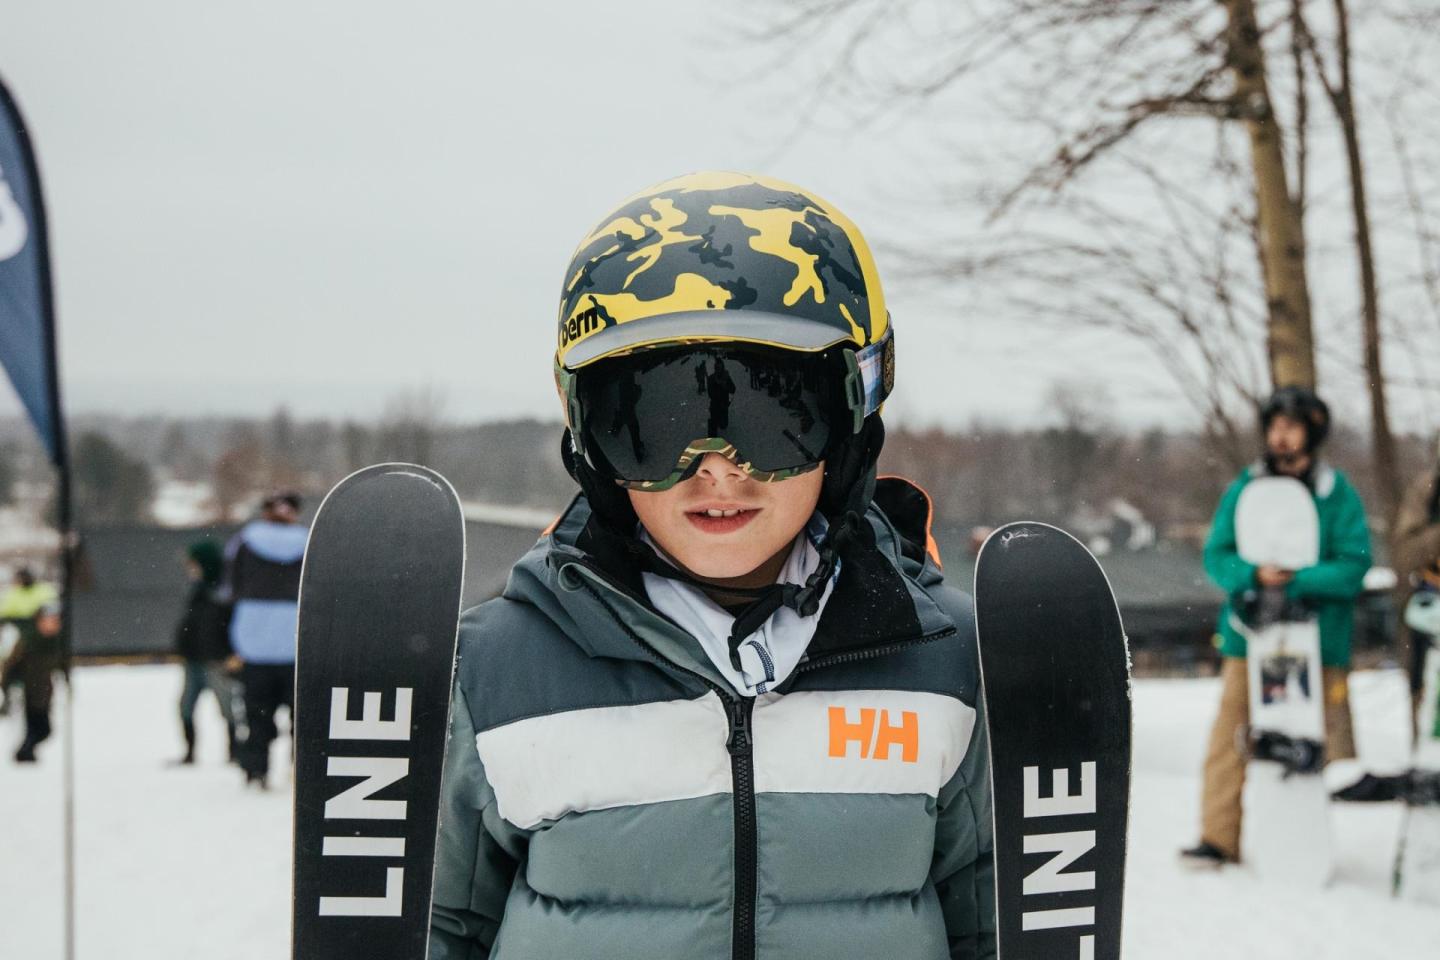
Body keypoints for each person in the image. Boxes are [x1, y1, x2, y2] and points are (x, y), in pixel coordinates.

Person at [429, 172, 995, 959]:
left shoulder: (947, 667)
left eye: (771, 416)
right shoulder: (496, 675)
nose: (717, 469)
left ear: (849, 422)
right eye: (656, 424)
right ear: (592, 438)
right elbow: (439, 925)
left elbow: (991, 924)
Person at [1180, 386, 1371, 866]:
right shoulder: (1246, 487)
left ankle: (1297, 841)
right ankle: (1218, 837)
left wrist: (1298, 577)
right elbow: (1217, 555)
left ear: (1311, 431)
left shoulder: (1336, 493)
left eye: (1292, 426)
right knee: (1231, 736)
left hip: (1317, 640)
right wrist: (1253, 575)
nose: (1281, 436)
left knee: (1304, 741)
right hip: (1252, 637)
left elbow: (1354, 565)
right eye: (1275, 426)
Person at [225, 492, 307, 789]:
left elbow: (229, 589)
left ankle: (256, 769)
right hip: (297, 645)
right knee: (304, 718)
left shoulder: (244, 543)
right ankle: (303, 772)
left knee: (257, 713)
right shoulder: (310, 542)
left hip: (254, 644)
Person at [171, 539, 238, 766]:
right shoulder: (197, 591)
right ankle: (190, 752)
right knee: (186, 707)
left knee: (227, 708)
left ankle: (235, 752)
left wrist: (229, 652)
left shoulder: (223, 591)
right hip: (194, 659)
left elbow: (225, 625)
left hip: (216, 660)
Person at [0, 567, 62, 763]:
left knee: (40, 725)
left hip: (39, 684)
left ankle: (26, 750)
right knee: (39, 724)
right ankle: (25, 751)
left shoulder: (42, 595)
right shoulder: (26, 640)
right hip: (33, 685)